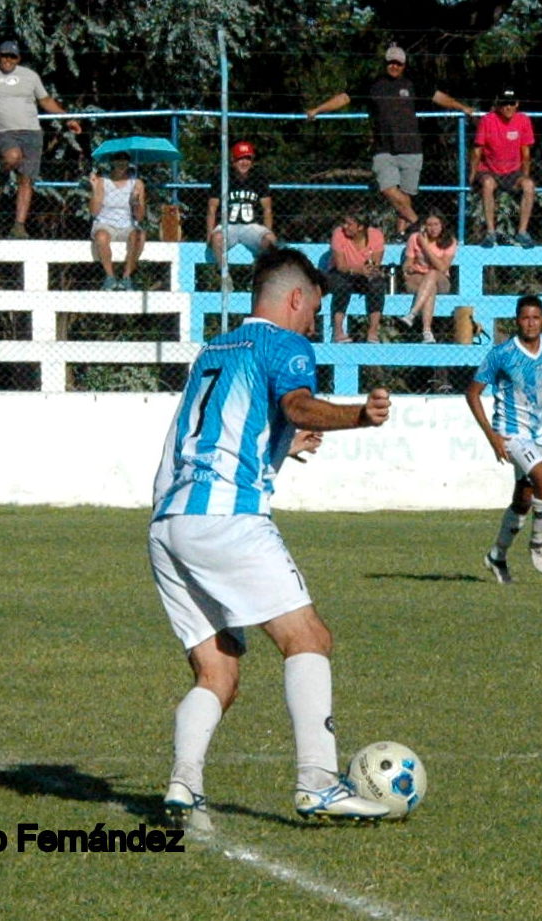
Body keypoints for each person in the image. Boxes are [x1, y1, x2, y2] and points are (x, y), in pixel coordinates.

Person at [150, 247, 394, 829]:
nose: (313, 324)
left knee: (219, 671)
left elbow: (216, 431)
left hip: (169, 522)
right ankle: (318, 783)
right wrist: (359, 415)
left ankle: (185, 782)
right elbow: (298, 405)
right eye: (314, 311)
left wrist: (281, 444)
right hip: (228, 518)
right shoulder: (286, 344)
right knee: (309, 638)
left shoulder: (215, 349)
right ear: (295, 299)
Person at [466, 295, 542, 584]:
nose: (531, 323)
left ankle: (497, 555)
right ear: (517, 321)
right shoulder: (502, 353)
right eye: (525, 318)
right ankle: (538, 543)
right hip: (510, 431)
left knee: (524, 499)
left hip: (541, 431)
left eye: (535, 318)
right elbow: (472, 393)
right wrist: (492, 436)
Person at [306, 44, 474, 239]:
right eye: (390, 63)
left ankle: (403, 234)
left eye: (398, 63)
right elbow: (344, 98)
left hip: (411, 148)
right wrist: (318, 109)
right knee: (388, 189)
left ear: (404, 65)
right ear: (385, 63)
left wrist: (462, 107)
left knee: (406, 195)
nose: (394, 66)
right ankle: (418, 224)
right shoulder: (373, 84)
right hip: (384, 149)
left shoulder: (413, 83)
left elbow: (438, 96)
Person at [0, 40, 83, 240]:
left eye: (13, 56)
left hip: (32, 132)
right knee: (12, 157)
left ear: (18, 58)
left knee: (26, 180)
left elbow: (45, 101)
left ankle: (19, 226)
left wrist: (66, 118)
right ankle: (1, 176)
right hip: (3, 131)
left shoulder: (30, 76)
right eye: (4, 55)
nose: (8, 60)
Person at [471, 87, 537, 247]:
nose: (508, 107)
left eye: (511, 103)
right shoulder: (487, 120)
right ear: (498, 105)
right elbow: (477, 150)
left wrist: (525, 175)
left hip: (513, 172)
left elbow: (526, 153)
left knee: (529, 185)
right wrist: (472, 174)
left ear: (517, 104)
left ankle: (522, 232)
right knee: (487, 184)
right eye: (504, 104)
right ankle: (490, 232)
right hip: (489, 170)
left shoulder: (523, 120)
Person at [205, 140, 277, 264]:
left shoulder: (259, 179)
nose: (244, 162)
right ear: (233, 160)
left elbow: (267, 209)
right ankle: (224, 273)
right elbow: (212, 208)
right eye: (240, 159)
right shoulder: (222, 178)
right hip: (227, 226)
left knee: (270, 240)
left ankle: (260, 271)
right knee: (216, 239)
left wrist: (268, 231)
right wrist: (209, 235)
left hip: (251, 226)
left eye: (248, 158)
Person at [324, 212, 387, 344]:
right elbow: (340, 266)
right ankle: (338, 331)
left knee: (378, 284)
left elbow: (375, 263)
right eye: (344, 222)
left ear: (360, 227)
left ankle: (373, 332)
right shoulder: (338, 234)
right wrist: (358, 269)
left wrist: (370, 271)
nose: (344, 226)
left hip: (364, 276)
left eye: (349, 224)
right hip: (341, 273)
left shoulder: (376, 235)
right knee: (342, 285)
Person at [90, 151, 147, 290]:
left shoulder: (137, 184)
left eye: (125, 159)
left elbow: (140, 217)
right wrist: (95, 190)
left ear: (129, 162)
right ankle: (110, 277)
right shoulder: (103, 182)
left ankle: (126, 277)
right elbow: (94, 212)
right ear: (112, 162)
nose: (121, 163)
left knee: (139, 236)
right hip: (105, 223)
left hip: (128, 225)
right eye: (118, 159)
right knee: (101, 237)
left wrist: (135, 201)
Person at [401, 212, 456, 342]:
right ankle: (427, 332)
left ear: (442, 225)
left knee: (432, 274)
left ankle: (413, 313)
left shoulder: (450, 241)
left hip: (441, 279)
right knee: (430, 287)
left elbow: (442, 268)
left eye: (436, 224)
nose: (433, 228)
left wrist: (424, 245)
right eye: (429, 225)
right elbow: (407, 264)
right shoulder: (414, 238)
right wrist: (409, 268)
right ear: (423, 226)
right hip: (418, 278)